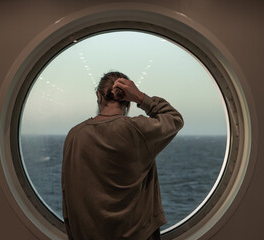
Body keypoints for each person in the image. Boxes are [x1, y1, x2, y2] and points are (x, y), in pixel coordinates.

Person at [61, 71, 184, 240]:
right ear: (128, 100)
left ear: (98, 95)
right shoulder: (137, 129)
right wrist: (141, 97)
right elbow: (174, 119)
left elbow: (68, 197)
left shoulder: (74, 135)